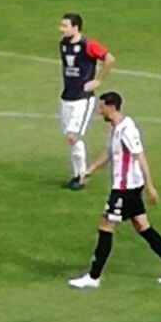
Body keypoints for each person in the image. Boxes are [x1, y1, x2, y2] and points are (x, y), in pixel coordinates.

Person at [68, 92, 161, 289]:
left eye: (102, 107)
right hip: (127, 188)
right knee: (142, 226)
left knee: (105, 227)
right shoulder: (114, 128)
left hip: (125, 189)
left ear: (111, 107)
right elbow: (109, 153)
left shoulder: (127, 130)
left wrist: (151, 187)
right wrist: (91, 170)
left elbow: (141, 158)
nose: (99, 110)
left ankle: (93, 277)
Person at [58, 13, 115, 190]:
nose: (61, 29)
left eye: (65, 26)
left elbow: (109, 58)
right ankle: (76, 176)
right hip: (67, 96)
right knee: (71, 138)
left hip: (82, 99)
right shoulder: (63, 44)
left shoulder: (88, 44)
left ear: (76, 27)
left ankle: (81, 177)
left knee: (72, 136)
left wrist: (98, 80)